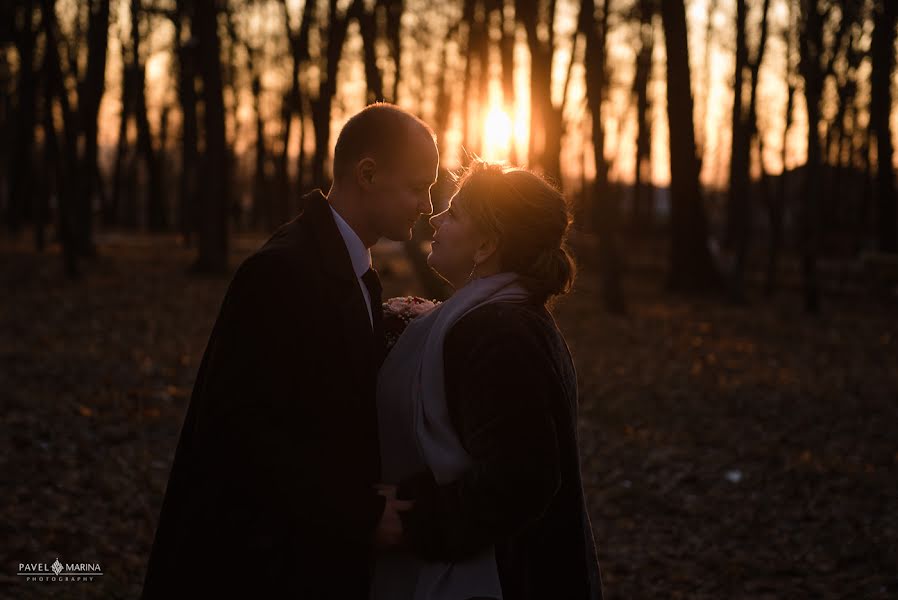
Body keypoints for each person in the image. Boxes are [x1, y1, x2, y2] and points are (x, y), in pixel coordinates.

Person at [141, 103, 439, 598]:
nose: (427, 204)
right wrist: (358, 514)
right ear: (367, 173)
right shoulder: (283, 272)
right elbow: (243, 436)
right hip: (264, 566)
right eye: (418, 186)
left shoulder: (350, 269)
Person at [371, 160, 604, 599]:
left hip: (506, 580)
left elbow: (522, 479)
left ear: (486, 245)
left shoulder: (501, 333)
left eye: (454, 213)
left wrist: (411, 518)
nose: (436, 219)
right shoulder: (505, 317)